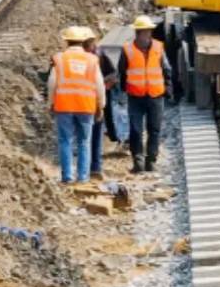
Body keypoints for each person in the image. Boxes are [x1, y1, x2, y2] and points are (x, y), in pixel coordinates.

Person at [47, 26, 105, 185]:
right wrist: (101, 105)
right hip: (86, 106)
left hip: (64, 106)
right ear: (82, 41)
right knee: (84, 142)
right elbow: (99, 85)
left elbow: (52, 83)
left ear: (67, 42)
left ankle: (67, 176)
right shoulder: (91, 60)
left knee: (65, 141)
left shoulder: (60, 59)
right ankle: (83, 177)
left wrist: (50, 103)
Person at [118, 15, 172, 173]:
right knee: (136, 130)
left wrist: (168, 87)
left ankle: (151, 161)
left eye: (149, 31)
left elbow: (166, 68)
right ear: (138, 32)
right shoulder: (127, 49)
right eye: (145, 31)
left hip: (155, 95)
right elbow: (122, 71)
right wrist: (124, 89)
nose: (148, 34)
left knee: (154, 129)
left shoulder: (158, 47)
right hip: (135, 96)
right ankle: (138, 162)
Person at [83, 30, 118, 181]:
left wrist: (105, 85)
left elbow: (113, 74)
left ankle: (94, 167)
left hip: (97, 98)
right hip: (87, 100)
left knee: (93, 134)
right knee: (89, 135)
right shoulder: (86, 57)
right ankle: (92, 167)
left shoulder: (100, 55)